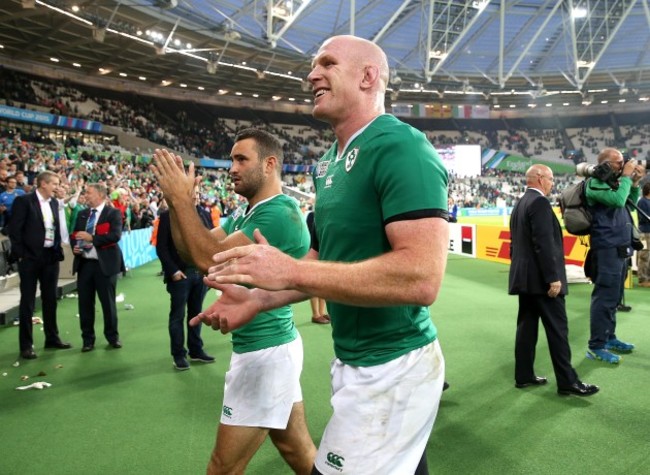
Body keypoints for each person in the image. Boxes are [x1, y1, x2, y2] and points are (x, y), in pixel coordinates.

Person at [194, 35, 449, 475]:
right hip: (353, 360)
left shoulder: (401, 147)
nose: (312, 75)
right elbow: (324, 259)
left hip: (393, 365)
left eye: (327, 64)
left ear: (369, 76)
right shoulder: (328, 162)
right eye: (313, 65)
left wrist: (289, 270)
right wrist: (260, 300)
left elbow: (421, 277)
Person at [152, 128, 316, 474]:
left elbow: (208, 258)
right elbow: (188, 252)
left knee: (221, 468)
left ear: (270, 164)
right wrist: (180, 204)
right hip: (267, 349)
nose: (231, 167)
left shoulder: (279, 214)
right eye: (231, 159)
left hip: (265, 353)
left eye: (241, 159)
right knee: (297, 452)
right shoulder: (245, 214)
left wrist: (183, 203)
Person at [508, 165, 598, 396]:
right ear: (539, 178)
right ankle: (568, 381)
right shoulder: (538, 203)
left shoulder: (520, 203)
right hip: (542, 281)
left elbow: (517, 244)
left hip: (525, 280)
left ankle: (524, 375)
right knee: (558, 330)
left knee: (526, 328)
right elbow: (544, 243)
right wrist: (553, 278)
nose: (552, 183)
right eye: (549, 179)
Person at [584, 148, 646, 364]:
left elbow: (630, 201)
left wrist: (635, 183)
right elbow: (619, 200)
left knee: (615, 296)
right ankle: (596, 345)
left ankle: (609, 338)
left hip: (620, 245)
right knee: (605, 296)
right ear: (605, 164)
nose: (623, 165)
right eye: (618, 162)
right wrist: (627, 177)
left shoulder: (613, 182)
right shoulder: (594, 183)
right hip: (606, 247)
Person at [8, 170, 71, 359]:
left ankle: (52, 337)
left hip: (50, 257)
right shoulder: (24, 201)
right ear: (43, 184)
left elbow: (53, 227)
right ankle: (26, 345)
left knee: (50, 299)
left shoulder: (53, 202)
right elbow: (14, 230)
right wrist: (22, 255)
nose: (57, 187)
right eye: (54, 183)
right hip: (30, 258)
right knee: (27, 301)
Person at [156, 188, 215, 371]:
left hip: (200, 274)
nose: (196, 196)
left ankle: (196, 350)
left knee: (197, 314)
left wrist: (208, 269)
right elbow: (162, 248)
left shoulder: (204, 214)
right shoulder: (168, 216)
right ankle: (178, 355)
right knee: (178, 316)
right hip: (180, 275)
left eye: (197, 193)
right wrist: (173, 271)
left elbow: (211, 241)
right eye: (191, 192)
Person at [70, 183, 125, 352]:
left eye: (89, 193)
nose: (86, 195)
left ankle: (112, 337)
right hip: (85, 264)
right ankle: (88, 340)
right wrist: (75, 246)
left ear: (101, 195)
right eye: (86, 193)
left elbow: (115, 236)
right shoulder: (81, 214)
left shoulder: (113, 213)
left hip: (105, 266)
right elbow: (75, 235)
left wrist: (92, 238)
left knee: (108, 304)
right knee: (85, 304)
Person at [305, 209, 329, 324]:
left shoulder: (326, 214)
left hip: (323, 251)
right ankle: (315, 314)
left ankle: (322, 312)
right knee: (314, 283)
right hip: (313, 251)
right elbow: (309, 233)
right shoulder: (311, 215)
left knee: (324, 283)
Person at [636, 181, 650, 288]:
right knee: (644, 256)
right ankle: (643, 279)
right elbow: (642, 217)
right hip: (645, 233)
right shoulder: (642, 202)